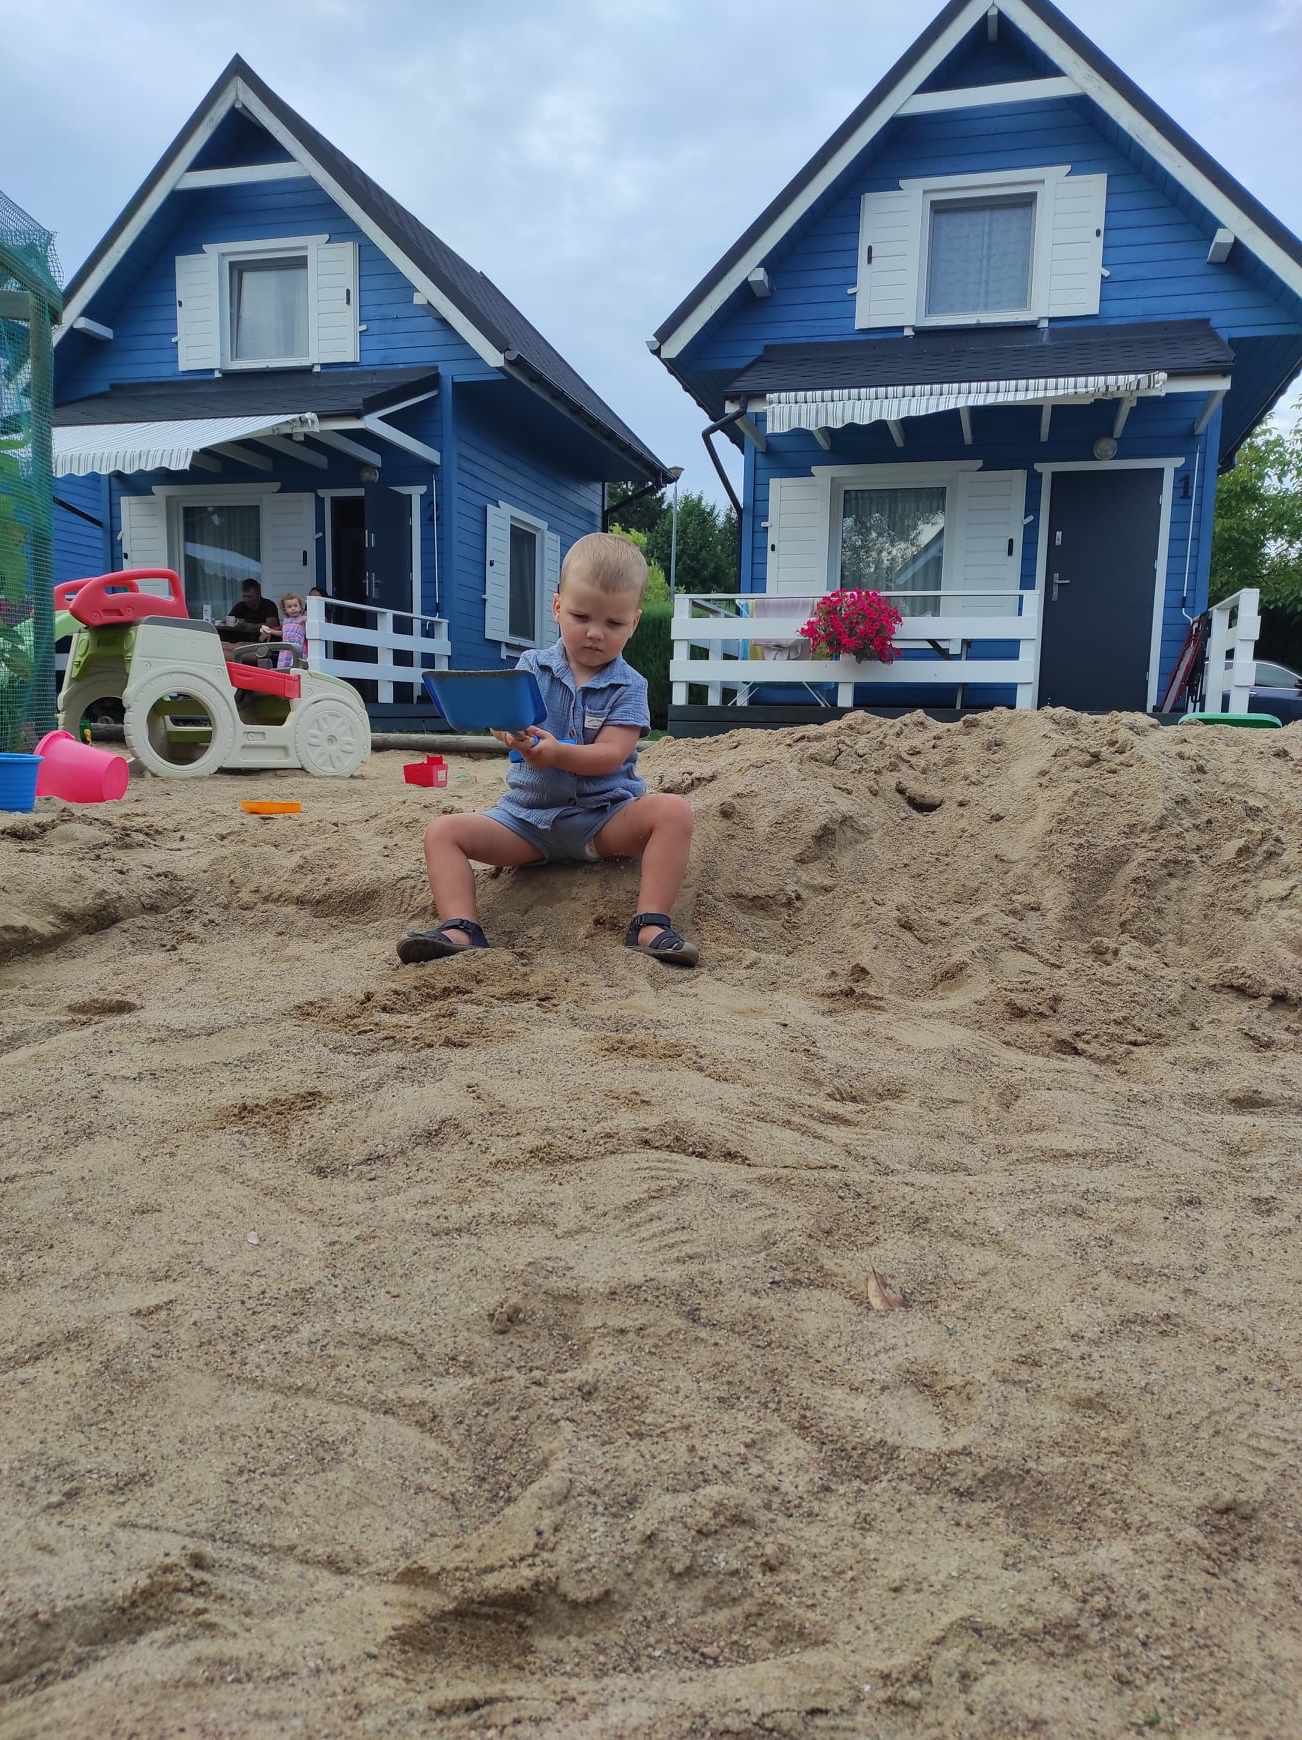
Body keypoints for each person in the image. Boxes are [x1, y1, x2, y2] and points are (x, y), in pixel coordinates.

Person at [397, 532, 697, 969]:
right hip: (526, 821)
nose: (595, 633)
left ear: (633, 623)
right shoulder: (531, 667)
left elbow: (612, 754)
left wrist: (557, 754)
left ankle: (650, 924)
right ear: (557, 607)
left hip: (603, 819)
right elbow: (506, 722)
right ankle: (460, 927)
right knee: (442, 832)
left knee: (674, 812)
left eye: (614, 624)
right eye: (580, 616)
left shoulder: (630, 685)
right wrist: (509, 734)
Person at [218, 579, 279, 658]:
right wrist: (230, 623)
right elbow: (228, 621)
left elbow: (271, 626)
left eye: (249, 596)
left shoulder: (268, 605)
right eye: (244, 596)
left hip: (260, 644)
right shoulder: (240, 605)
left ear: (258, 594)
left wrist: (247, 626)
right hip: (240, 642)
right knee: (222, 645)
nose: (246, 599)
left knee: (228, 653)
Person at [275, 593, 308, 671]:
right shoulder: (285, 621)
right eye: (289, 607)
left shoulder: (303, 619)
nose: (293, 608)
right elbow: (283, 633)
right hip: (286, 649)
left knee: (296, 667)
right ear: (285, 610)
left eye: (295, 606)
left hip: (298, 647)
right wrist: (270, 631)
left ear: (300, 607)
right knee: (284, 667)